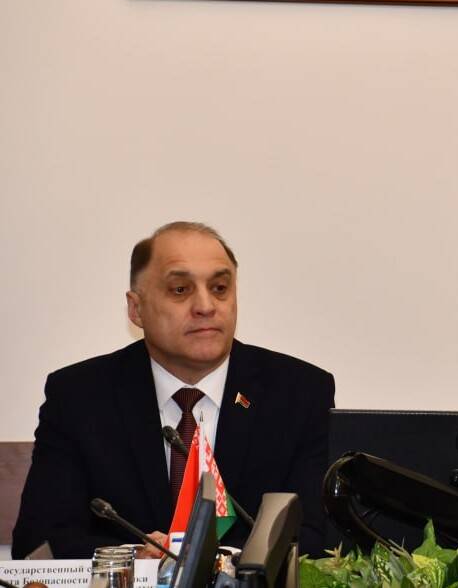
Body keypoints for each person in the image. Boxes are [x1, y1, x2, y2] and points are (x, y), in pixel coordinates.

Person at [12, 222, 335, 558]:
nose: (206, 306)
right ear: (136, 309)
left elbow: (316, 537)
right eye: (180, 290)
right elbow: (39, 543)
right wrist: (135, 558)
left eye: (220, 288)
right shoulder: (79, 397)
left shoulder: (300, 393)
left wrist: (211, 560)